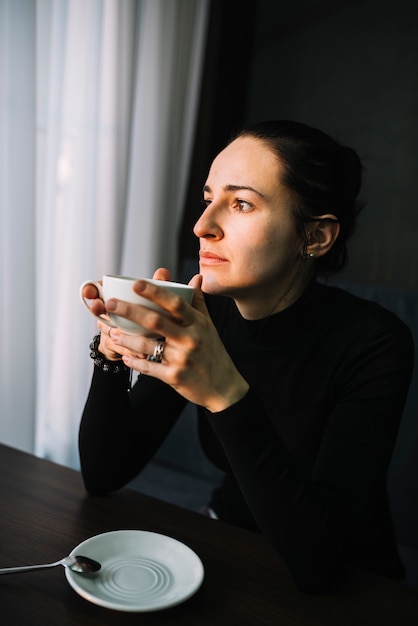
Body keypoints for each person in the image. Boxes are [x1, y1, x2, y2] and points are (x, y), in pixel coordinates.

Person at [79, 120, 414, 593]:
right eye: (208, 197)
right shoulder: (203, 314)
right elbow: (103, 474)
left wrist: (224, 393)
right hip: (228, 544)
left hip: (350, 583)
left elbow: (321, 561)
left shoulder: (376, 343)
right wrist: (112, 352)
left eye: (240, 203)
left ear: (315, 237)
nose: (202, 226)